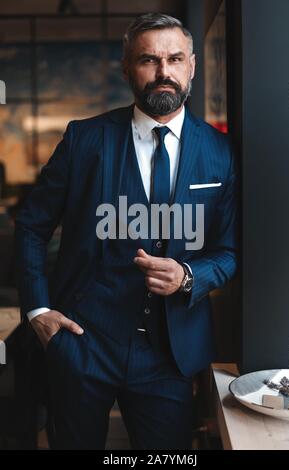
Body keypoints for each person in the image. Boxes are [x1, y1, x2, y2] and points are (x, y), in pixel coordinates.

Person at [15, 13, 237, 450]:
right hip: (82, 342)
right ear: (126, 68)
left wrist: (189, 276)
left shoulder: (221, 152)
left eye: (174, 59)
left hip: (170, 352)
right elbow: (31, 227)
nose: (163, 72)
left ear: (191, 65)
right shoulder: (84, 140)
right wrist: (38, 311)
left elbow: (229, 251)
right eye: (148, 60)